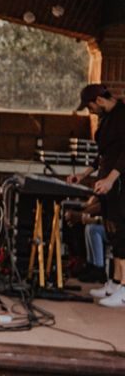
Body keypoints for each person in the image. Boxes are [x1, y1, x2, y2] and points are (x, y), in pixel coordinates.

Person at [68, 83, 125, 307]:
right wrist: (83, 175)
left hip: (120, 183)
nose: (89, 111)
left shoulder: (122, 116)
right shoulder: (107, 119)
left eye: (90, 107)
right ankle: (114, 282)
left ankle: (124, 289)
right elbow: (102, 155)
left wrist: (111, 179)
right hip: (107, 184)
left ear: (99, 101)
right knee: (111, 232)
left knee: (121, 233)